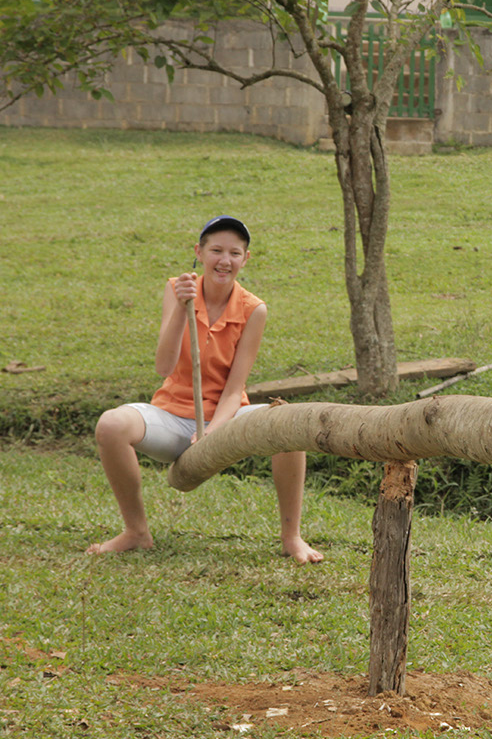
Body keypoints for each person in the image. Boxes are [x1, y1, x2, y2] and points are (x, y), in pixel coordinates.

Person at [86, 216, 323, 564]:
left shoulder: (254, 309)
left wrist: (211, 432)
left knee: (288, 422)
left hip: (226, 420)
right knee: (110, 425)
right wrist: (182, 311)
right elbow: (163, 367)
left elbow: (234, 389)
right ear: (198, 252)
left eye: (234, 253)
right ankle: (136, 532)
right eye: (216, 250)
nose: (224, 260)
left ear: (246, 259)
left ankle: (292, 537)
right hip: (171, 415)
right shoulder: (177, 288)